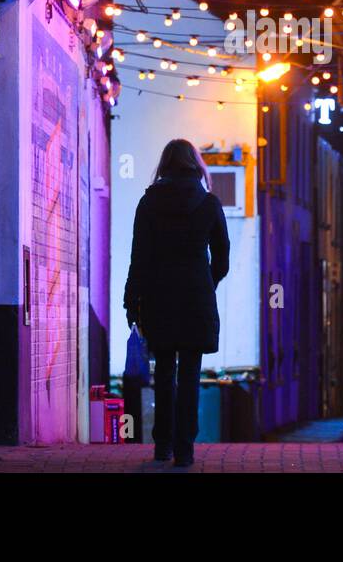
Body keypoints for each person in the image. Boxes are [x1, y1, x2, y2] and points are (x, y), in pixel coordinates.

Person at [123, 139, 230, 467]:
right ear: (195, 165)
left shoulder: (149, 203)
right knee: (190, 376)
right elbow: (222, 257)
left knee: (164, 373)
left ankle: (162, 446)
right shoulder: (209, 203)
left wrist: (132, 299)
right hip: (195, 296)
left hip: (160, 296)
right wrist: (205, 283)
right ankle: (185, 449)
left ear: (165, 164)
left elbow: (139, 256)